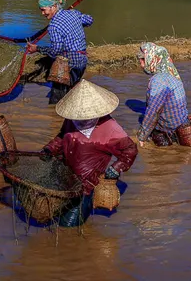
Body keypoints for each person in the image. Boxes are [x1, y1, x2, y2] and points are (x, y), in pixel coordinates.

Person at [41, 79, 138, 223]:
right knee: (53, 217)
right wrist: (50, 149)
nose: (81, 119)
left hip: (86, 187)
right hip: (64, 179)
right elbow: (62, 136)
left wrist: (116, 168)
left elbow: (130, 150)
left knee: (69, 227)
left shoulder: (110, 128)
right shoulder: (71, 120)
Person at [26, 0, 94, 105]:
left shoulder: (54, 25)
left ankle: (56, 121)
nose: (42, 13)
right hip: (82, 61)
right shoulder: (73, 13)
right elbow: (89, 20)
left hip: (68, 65)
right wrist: (76, 23)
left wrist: (37, 49)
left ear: (53, 7)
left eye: (43, 10)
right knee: (71, 95)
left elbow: (55, 51)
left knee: (56, 103)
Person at [136, 42, 189, 147]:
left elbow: (153, 112)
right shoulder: (172, 74)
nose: (141, 64)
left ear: (153, 59)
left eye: (143, 60)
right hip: (184, 124)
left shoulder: (159, 81)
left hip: (169, 131)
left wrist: (142, 137)